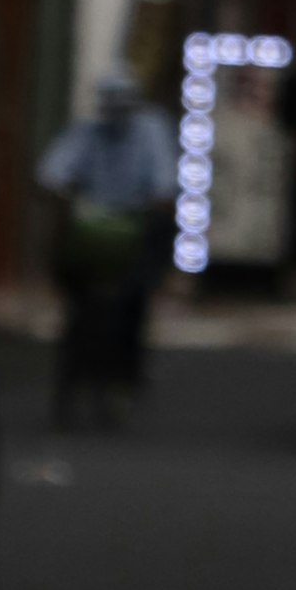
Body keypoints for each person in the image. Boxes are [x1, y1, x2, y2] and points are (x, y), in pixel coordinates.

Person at [37, 62, 176, 423]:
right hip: (91, 234)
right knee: (77, 303)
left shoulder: (150, 130)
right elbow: (52, 172)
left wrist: (152, 205)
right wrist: (62, 195)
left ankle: (123, 380)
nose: (116, 113)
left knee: (133, 301)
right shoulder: (87, 132)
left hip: (132, 232)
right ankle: (72, 381)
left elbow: (163, 184)